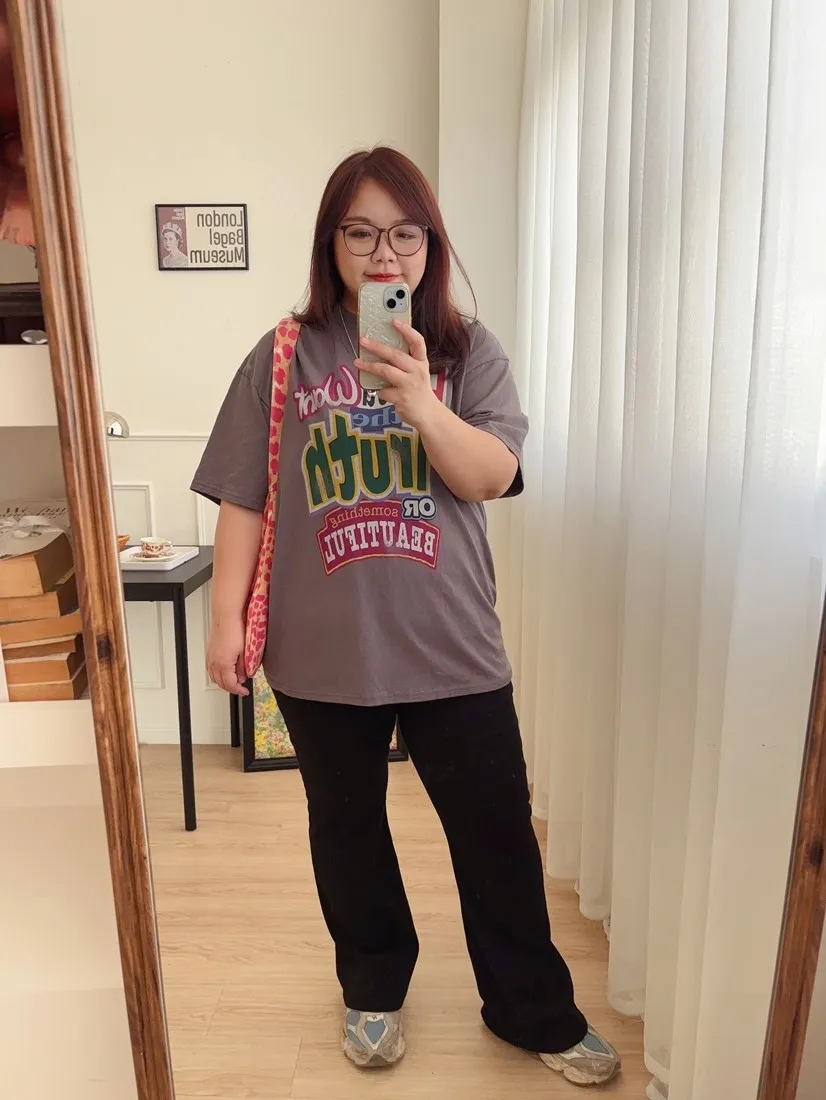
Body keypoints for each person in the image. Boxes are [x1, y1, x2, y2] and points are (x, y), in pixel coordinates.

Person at [191, 146, 620, 1089]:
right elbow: (243, 497)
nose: (384, 254)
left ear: (431, 243)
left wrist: (422, 400)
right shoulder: (284, 354)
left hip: (451, 646)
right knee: (347, 831)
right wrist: (225, 622)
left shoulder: (469, 352)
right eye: (361, 233)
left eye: (404, 234)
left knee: (496, 834)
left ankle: (531, 1008)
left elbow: (491, 475)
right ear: (330, 243)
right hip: (321, 649)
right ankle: (374, 987)